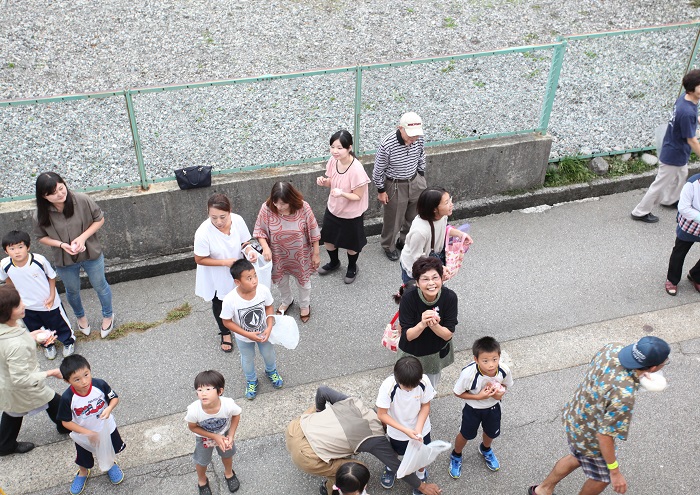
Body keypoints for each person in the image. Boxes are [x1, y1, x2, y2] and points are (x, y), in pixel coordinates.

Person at [528, 335, 671, 495]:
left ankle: (542, 490)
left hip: (576, 414)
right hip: (589, 437)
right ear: (652, 368)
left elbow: (609, 374)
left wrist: (638, 373)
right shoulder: (624, 395)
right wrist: (615, 471)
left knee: (577, 456)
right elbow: (604, 436)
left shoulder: (613, 348)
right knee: (601, 478)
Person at [284, 386, 442, 495]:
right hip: (306, 457)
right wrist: (423, 486)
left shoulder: (354, 403)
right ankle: (330, 489)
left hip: (295, 429)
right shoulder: (376, 439)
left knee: (325, 414)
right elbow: (397, 467)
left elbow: (322, 391)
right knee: (356, 470)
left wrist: (319, 413)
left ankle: (320, 424)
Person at [33, 172, 114, 338]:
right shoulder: (39, 214)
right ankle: (81, 317)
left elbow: (100, 219)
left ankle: (108, 315)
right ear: (44, 196)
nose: (60, 194)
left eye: (62, 188)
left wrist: (82, 238)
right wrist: (62, 245)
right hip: (64, 259)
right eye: (54, 193)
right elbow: (41, 237)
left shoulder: (82, 199)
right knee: (72, 290)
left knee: (100, 285)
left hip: (91, 252)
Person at [0, 286, 68, 457]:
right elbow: (21, 379)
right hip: (23, 386)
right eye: (18, 305)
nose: (23, 305)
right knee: (54, 402)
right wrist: (51, 372)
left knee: (14, 410)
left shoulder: (9, 325)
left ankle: (5, 445)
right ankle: (66, 426)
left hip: (8, 383)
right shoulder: (16, 345)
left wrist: (31, 337)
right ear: (8, 312)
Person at [631, 69, 700, 223]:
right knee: (660, 184)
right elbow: (692, 140)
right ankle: (640, 211)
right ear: (692, 89)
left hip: (674, 149)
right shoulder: (687, 111)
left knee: (682, 174)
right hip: (674, 154)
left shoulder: (686, 99)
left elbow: (688, 119)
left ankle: (669, 200)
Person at [194, 193, 259, 353]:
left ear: (230, 211)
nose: (218, 222)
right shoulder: (203, 232)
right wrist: (224, 262)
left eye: (222, 217)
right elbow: (199, 259)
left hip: (236, 268)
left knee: (243, 296)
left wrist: (249, 250)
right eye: (213, 217)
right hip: (216, 274)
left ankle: (244, 324)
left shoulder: (238, 220)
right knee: (219, 303)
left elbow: (245, 241)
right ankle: (225, 332)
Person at [57, 354, 126, 495]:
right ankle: (83, 472)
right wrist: (88, 433)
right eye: (77, 379)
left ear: (90, 370)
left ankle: (110, 465)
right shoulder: (67, 398)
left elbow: (114, 398)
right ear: (66, 381)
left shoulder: (99, 384)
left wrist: (109, 408)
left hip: (107, 428)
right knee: (83, 456)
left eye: (86, 375)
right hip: (84, 434)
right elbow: (65, 422)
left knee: (109, 449)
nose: (84, 381)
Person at [1, 230, 75, 359]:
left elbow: (52, 277)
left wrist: (52, 296)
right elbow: (7, 280)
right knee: (36, 328)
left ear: (28, 247)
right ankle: (48, 345)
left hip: (47, 302)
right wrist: (17, 298)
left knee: (59, 324)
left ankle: (68, 341)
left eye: (20, 247)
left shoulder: (39, 260)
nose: (17, 251)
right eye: (12, 248)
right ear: (6, 251)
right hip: (26, 305)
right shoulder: (4, 264)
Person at [253, 181, 321, 323]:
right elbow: (260, 231)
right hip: (278, 255)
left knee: (303, 282)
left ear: (291, 199)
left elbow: (314, 231)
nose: (279, 207)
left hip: (300, 255)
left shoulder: (303, 208)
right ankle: (287, 300)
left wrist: (316, 254)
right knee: (281, 281)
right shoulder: (266, 208)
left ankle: (304, 304)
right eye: (276, 203)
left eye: (283, 204)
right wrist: (265, 247)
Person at [449, 336, 513, 479]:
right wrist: (479, 397)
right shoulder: (468, 374)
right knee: (465, 434)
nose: (491, 364)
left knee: (490, 432)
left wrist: (499, 394)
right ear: (476, 359)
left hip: (493, 408)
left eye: (494, 359)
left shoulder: (503, 370)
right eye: (485, 361)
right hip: (473, 409)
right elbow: (457, 392)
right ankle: (456, 454)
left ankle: (485, 449)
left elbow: (506, 386)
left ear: (499, 356)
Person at [220, 259, 283, 400]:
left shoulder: (263, 290)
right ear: (237, 282)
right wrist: (246, 334)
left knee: (268, 353)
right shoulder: (230, 300)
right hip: (243, 338)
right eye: (249, 278)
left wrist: (269, 325)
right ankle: (251, 380)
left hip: (264, 333)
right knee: (247, 359)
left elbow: (269, 306)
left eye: (255, 275)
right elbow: (226, 322)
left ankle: (271, 371)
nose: (254, 280)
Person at [395, 256, 457, 392]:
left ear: (442, 278)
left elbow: (448, 335)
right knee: (406, 388)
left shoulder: (450, 297)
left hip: (435, 352)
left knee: (430, 388)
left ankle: (424, 408)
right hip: (412, 352)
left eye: (435, 278)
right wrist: (423, 324)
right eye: (425, 279)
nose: (431, 283)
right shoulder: (409, 298)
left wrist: (434, 325)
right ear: (417, 282)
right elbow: (408, 336)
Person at [316, 129, 370, 284]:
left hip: (351, 213)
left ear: (349, 148)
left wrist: (342, 193)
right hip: (333, 208)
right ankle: (334, 262)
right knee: (328, 239)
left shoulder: (356, 169)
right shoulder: (333, 161)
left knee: (352, 244)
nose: (335, 151)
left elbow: (358, 196)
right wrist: (324, 182)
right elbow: (332, 181)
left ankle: (352, 267)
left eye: (339, 148)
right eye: (332, 147)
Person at [376, 356, 435, 494]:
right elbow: (382, 414)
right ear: (397, 378)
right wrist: (406, 430)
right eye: (405, 387)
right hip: (398, 431)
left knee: (422, 454)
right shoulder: (388, 386)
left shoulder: (424, 381)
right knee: (396, 452)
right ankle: (391, 468)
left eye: (412, 387)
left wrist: (418, 429)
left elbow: (426, 405)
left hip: (421, 428)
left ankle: (421, 475)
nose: (409, 390)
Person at [372, 112, 427, 261]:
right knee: (393, 219)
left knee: (413, 216)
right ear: (400, 128)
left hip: (415, 180)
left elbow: (421, 155)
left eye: (416, 136)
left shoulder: (418, 139)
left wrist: (421, 175)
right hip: (395, 184)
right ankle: (388, 246)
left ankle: (404, 241)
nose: (413, 139)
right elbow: (378, 170)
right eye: (410, 136)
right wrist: (381, 190)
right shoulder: (387, 144)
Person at [185, 370, 242, 495]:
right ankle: (202, 480)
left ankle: (228, 473)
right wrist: (214, 436)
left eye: (208, 389)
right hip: (204, 438)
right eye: (199, 390)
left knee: (227, 454)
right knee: (202, 461)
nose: (203, 394)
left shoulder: (228, 404)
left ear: (220, 391)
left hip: (224, 434)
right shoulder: (194, 410)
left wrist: (231, 435)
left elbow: (236, 415)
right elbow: (193, 427)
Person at [399, 188, 472, 283]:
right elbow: (417, 257)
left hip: (431, 260)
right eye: (446, 203)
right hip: (416, 266)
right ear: (434, 209)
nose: (451, 204)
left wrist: (460, 234)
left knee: (433, 291)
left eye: (450, 199)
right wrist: (439, 268)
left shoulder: (442, 216)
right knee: (414, 294)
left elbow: (443, 228)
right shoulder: (420, 232)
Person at [664, 172, 700, 295]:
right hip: (690, 224)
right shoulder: (692, 184)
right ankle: (672, 280)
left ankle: (696, 275)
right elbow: (684, 208)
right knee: (679, 252)